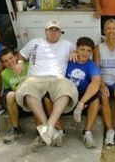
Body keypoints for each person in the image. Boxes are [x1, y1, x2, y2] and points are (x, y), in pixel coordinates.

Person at [15, 19, 78, 150]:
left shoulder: (68, 44)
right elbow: (20, 55)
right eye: (51, 29)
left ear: (61, 32)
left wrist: (75, 52)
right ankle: (48, 127)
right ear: (45, 31)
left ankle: (47, 127)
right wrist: (20, 62)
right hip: (36, 78)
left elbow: (82, 51)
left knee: (67, 89)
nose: (53, 32)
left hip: (57, 78)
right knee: (27, 88)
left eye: (56, 30)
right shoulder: (35, 42)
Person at [66, 37, 101, 148]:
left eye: (88, 51)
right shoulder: (68, 60)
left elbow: (96, 81)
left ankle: (87, 132)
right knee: (48, 97)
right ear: (77, 49)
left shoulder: (91, 65)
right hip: (67, 94)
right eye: (82, 49)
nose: (85, 53)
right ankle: (59, 131)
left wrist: (81, 103)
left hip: (82, 96)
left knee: (95, 98)